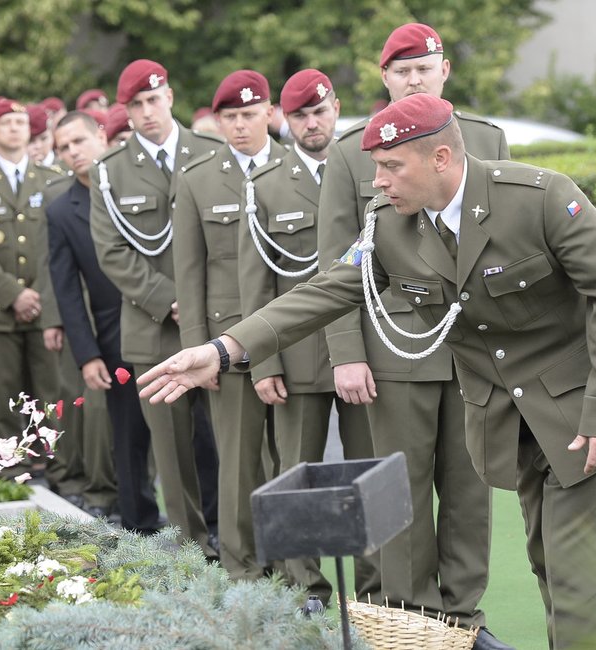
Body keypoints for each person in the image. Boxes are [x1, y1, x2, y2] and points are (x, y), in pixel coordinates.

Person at [140, 93, 596, 650]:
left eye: (390, 167)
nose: (377, 181)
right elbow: (327, 291)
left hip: (581, 410)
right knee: (549, 562)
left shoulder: (539, 197)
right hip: (511, 418)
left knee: (580, 580)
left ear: (441, 159)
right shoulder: (390, 226)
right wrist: (224, 348)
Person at [317, 23, 510, 647]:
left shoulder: (483, 139)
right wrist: (345, 353)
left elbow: (501, 244)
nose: (414, 77)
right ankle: (407, 621)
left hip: (476, 349)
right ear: (385, 79)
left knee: (470, 487)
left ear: (444, 70)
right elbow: (336, 264)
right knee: (400, 490)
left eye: (424, 67)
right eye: (401, 70)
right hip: (396, 345)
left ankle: (462, 619)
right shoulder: (351, 153)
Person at [236, 68, 378, 601]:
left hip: (365, 350)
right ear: (282, 119)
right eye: (299, 115)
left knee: (367, 470)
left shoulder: (373, 170)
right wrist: (263, 362)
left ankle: (374, 588)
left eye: (319, 111)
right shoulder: (266, 187)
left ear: (337, 108)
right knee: (296, 472)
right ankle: (307, 590)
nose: (311, 123)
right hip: (293, 356)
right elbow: (256, 284)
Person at [88, 59, 221, 557]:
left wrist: (203, 303)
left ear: (169, 96)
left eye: (153, 99)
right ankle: (194, 549)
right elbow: (112, 253)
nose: (147, 112)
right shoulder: (109, 171)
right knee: (172, 449)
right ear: (126, 111)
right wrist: (171, 299)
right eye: (135, 105)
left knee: (230, 440)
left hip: (216, 324)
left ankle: (239, 541)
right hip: (154, 326)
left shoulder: (212, 153)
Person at [172, 69, 286, 581]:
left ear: (270, 111)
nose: (240, 125)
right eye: (230, 117)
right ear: (217, 122)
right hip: (225, 340)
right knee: (237, 463)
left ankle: (292, 569)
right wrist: (200, 351)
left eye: (249, 113)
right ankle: (242, 570)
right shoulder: (197, 178)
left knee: (290, 460)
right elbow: (189, 272)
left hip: (288, 334)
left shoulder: (297, 168)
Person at [48, 110, 163, 531]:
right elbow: (66, 290)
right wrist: (87, 353)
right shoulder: (61, 211)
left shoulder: (143, 182)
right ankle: (139, 525)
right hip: (114, 333)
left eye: (79, 141)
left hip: (168, 317)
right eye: (63, 148)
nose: (73, 152)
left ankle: (208, 526)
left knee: (194, 430)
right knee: (128, 433)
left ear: (101, 135)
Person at [0, 99, 66, 461]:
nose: (16, 128)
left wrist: (37, 294)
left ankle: (52, 466)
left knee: (49, 393)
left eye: (21, 122)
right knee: (3, 394)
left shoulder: (52, 180)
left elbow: (59, 247)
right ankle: (7, 470)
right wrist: (14, 294)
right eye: (6, 122)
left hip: (45, 306)